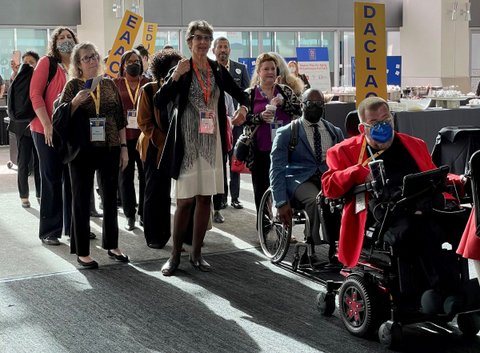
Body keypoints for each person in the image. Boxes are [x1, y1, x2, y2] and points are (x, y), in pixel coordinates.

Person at [321, 96, 464, 269]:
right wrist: (357, 171)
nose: (383, 125)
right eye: (374, 122)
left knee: (464, 222)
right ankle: (436, 288)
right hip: (382, 213)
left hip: (423, 205)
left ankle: (457, 283)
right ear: (362, 128)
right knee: (417, 231)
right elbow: (328, 187)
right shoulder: (342, 151)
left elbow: (433, 174)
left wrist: (460, 179)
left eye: (386, 119)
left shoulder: (415, 144)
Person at [154, 19, 250, 276]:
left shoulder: (217, 69)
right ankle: (175, 256)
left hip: (211, 142)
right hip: (186, 143)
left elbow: (243, 94)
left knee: (204, 199)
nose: (204, 42)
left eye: (207, 38)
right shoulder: (181, 68)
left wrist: (243, 108)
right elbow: (159, 100)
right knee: (184, 201)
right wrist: (175, 76)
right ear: (189, 41)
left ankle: (197, 254)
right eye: (199, 38)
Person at [53, 42, 129, 269]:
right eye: (86, 58)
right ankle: (82, 251)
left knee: (110, 198)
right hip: (81, 150)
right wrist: (75, 103)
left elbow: (119, 118)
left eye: (94, 56)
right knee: (81, 198)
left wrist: (124, 147)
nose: (92, 61)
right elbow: (59, 117)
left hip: (110, 147)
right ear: (78, 63)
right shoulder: (72, 85)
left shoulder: (108, 83)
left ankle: (113, 245)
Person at [270, 88, 343, 263]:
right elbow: (277, 169)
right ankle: (311, 244)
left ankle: (337, 245)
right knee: (315, 200)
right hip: (299, 178)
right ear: (302, 105)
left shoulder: (334, 132)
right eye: (311, 104)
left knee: (340, 200)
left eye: (320, 104)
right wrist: (279, 201)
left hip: (327, 177)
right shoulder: (287, 132)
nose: (316, 107)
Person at [30, 26, 78, 246]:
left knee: (72, 179)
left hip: (70, 130)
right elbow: (35, 94)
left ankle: (74, 227)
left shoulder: (77, 65)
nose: (66, 40)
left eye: (69, 37)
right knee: (51, 178)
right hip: (44, 129)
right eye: (61, 37)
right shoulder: (46, 63)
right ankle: (50, 230)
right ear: (54, 42)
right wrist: (47, 124)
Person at [245, 52, 302, 227]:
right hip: (259, 150)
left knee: (282, 187)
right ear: (259, 72)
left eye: (272, 68)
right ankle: (263, 224)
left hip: (283, 148)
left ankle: (284, 226)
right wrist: (260, 117)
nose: (270, 72)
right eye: (266, 69)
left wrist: (284, 104)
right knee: (260, 188)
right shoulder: (250, 93)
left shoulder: (285, 91)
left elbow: (299, 111)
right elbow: (243, 118)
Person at [137, 48, 183, 248]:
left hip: (176, 146)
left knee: (170, 194)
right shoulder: (149, 89)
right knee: (154, 191)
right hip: (154, 147)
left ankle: (172, 234)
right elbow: (144, 122)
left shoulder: (182, 89)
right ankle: (155, 236)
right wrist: (165, 141)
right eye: (171, 68)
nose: (175, 72)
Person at [212, 36, 250, 211]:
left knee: (235, 160)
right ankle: (222, 198)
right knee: (220, 161)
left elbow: (247, 94)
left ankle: (235, 197)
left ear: (229, 50)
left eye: (225, 46)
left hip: (237, 123)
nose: (223, 49)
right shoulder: (210, 70)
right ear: (214, 50)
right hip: (218, 122)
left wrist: (242, 112)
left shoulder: (240, 69)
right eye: (219, 46)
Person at [114, 49, 150, 231]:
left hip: (144, 138)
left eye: (137, 61)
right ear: (123, 65)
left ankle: (144, 213)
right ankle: (129, 214)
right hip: (124, 138)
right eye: (130, 61)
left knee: (145, 177)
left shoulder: (148, 83)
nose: (134, 64)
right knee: (125, 177)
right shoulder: (116, 84)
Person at [8, 51, 41, 208]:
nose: (28, 64)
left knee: (39, 162)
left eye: (31, 61)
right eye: (25, 61)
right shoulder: (17, 78)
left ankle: (41, 193)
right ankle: (24, 195)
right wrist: (15, 73)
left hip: (38, 125)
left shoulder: (41, 78)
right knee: (23, 162)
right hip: (23, 128)